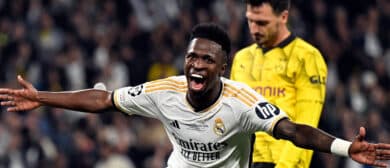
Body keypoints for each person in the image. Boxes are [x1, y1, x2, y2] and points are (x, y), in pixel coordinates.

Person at [0, 23, 390, 168]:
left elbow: (291, 131)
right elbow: (104, 101)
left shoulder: (242, 101)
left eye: (206, 59)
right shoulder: (163, 92)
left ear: (223, 67)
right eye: (191, 57)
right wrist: (43, 98)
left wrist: (344, 149)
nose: (196, 66)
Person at [230, 0, 327, 167]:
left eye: (262, 23)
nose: (254, 29)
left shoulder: (307, 57)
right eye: (250, 20)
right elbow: (233, 120)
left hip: (281, 161)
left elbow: (307, 124)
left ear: (283, 17)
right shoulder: (241, 59)